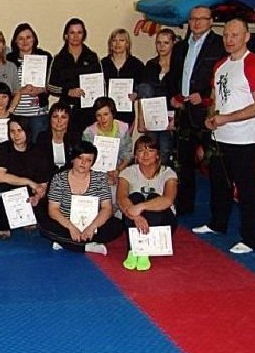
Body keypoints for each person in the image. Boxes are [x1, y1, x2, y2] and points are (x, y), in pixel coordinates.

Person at [192, 18, 255, 254]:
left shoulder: (253, 64)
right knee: (219, 184)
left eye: (235, 35)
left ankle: (250, 238)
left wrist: (228, 118)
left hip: (243, 140)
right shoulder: (220, 65)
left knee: (245, 189)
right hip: (220, 137)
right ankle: (218, 223)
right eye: (225, 35)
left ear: (247, 37)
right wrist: (212, 117)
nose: (229, 40)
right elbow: (215, 99)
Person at [167, 5, 226, 215]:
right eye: (193, 19)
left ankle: (218, 215)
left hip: (207, 113)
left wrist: (205, 96)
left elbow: (222, 79)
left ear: (211, 21)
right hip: (184, 112)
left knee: (215, 164)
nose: (197, 22)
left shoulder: (220, 45)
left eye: (202, 18)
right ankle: (185, 207)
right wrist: (172, 97)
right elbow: (173, 76)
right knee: (183, 163)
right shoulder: (181, 47)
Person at [38, 141, 123, 253]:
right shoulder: (59, 178)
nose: (83, 163)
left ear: (92, 163)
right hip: (65, 223)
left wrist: (92, 227)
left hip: (93, 223)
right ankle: (86, 246)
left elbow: (106, 208)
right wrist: (71, 227)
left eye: (88, 160)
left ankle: (65, 242)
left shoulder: (100, 179)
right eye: (80, 158)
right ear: (73, 159)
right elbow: (53, 210)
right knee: (43, 223)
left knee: (116, 225)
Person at [117, 135, 178, 271]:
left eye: (150, 150)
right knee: (135, 196)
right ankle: (134, 249)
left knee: (153, 197)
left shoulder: (168, 173)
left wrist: (140, 207)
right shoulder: (127, 172)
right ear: (135, 155)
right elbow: (121, 198)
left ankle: (142, 250)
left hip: (162, 221)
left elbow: (168, 200)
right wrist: (136, 216)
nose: (145, 155)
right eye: (141, 151)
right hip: (134, 218)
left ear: (157, 155)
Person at [0, 116, 49, 237]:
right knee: (1, 187)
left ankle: (28, 216)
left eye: (20, 130)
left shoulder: (38, 151)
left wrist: (37, 196)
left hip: (30, 191)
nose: (16, 135)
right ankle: (4, 223)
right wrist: (29, 182)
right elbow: (0, 177)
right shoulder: (3, 148)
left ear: (27, 131)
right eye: (12, 131)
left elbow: (43, 183)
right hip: (9, 189)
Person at [47, 18, 102, 135]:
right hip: (66, 109)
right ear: (66, 36)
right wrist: (68, 91)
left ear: (84, 35)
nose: (76, 36)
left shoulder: (92, 57)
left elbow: (101, 84)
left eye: (79, 32)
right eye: (72, 32)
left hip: (88, 110)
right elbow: (50, 86)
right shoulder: (58, 59)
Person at [7, 23, 52, 141]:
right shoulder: (9, 59)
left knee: (38, 146)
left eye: (28, 37)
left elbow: (53, 83)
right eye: (20, 38)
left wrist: (41, 89)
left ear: (34, 39)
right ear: (15, 41)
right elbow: (5, 87)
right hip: (16, 114)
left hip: (38, 114)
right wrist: (21, 91)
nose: (25, 41)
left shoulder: (45, 57)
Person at [138, 28, 177, 164]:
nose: (161, 46)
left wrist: (175, 119)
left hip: (169, 117)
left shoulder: (179, 66)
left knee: (165, 151)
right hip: (151, 117)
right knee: (150, 150)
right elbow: (143, 94)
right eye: (158, 43)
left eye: (166, 43)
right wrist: (141, 120)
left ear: (173, 43)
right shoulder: (150, 65)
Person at [81, 97, 133, 193]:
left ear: (113, 113)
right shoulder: (89, 133)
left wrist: (118, 170)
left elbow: (127, 153)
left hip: (119, 170)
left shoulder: (123, 128)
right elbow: (86, 158)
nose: (103, 119)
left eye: (106, 114)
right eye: (99, 115)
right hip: (95, 173)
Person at [100, 28, 144, 126]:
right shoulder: (102, 64)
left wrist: (137, 94)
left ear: (127, 44)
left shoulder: (136, 65)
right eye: (114, 40)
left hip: (127, 114)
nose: (117, 44)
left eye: (121, 40)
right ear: (110, 44)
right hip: (106, 114)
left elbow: (143, 87)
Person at [36, 102, 80, 181]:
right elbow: (40, 165)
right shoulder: (42, 137)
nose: (59, 120)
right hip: (48, 178)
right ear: (50, 119)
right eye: (55, 117)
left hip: (71, 178)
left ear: (69, 120)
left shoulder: (75, 138)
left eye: (63, 117)